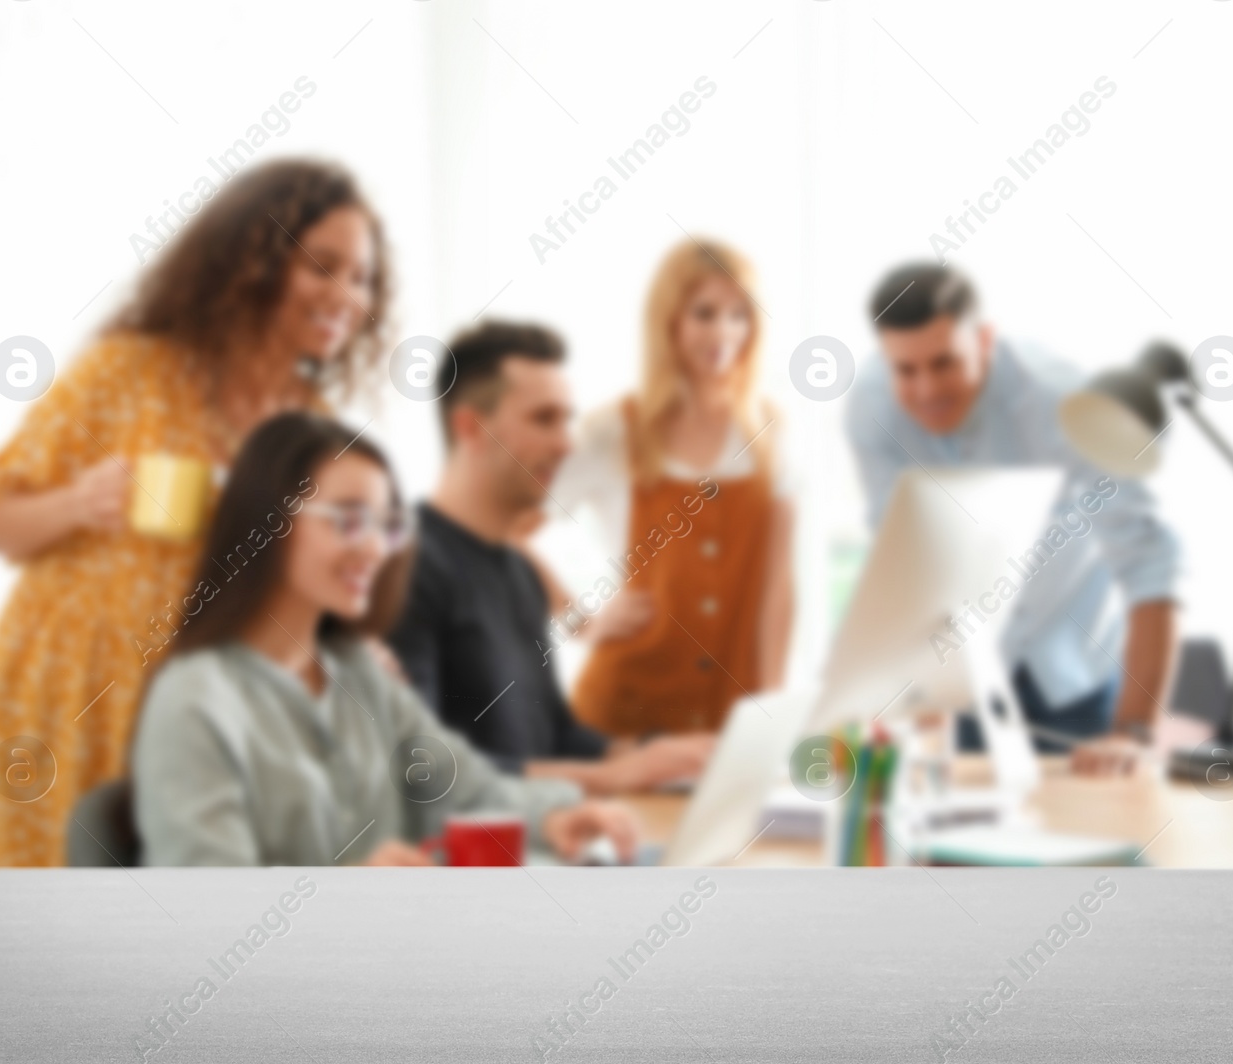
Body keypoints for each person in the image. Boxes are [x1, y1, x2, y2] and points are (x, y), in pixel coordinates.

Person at [0, 159, 392, 866]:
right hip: (76, 684)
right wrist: (79, 501)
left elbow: (309, 575)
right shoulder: (126, 372)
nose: (347, 293)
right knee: (50, 924)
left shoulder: (315, 429)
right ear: (254, 262)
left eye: (362, 277)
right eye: (324, 266)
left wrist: (351, 643)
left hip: (201, 698)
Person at [131, 413, 635, 866]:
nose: (374, 547)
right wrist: (348, 898)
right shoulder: (193, 702)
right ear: (269, 523)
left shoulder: (357, 671)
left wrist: (553, 819)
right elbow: (207, 913)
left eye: (385, 524)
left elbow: (469, 789)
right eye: (348, 519)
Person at [844, 262, 1180, 774]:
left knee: (1094, 841)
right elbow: (903, 553)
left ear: (984, 338)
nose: (926, 390)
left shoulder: (1062, 400)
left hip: (1075, 675)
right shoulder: (872, 408)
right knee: (970, 846)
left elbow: (1150, 563)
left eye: (943, 363)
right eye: (905, 370)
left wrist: (1133, 734)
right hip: (972, 686)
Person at [386, 321, 713, 795]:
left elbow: (556, 736)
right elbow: (423, 769)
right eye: (544, 420)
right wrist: (604, 777)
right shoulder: (405, 570)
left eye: (567, 420)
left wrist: (662, 754)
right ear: (471, 427)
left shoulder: (520, 574)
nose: (568, 444)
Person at [553, 238, 795, 736]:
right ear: (670, 320)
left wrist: (771, 711)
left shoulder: (771, 430)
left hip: (730, 716)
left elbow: (779, 590)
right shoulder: (616, 430)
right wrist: (579, 619)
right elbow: (510, 528)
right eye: (704, 313)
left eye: (738, 315)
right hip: (622, 716)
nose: (724, 332)